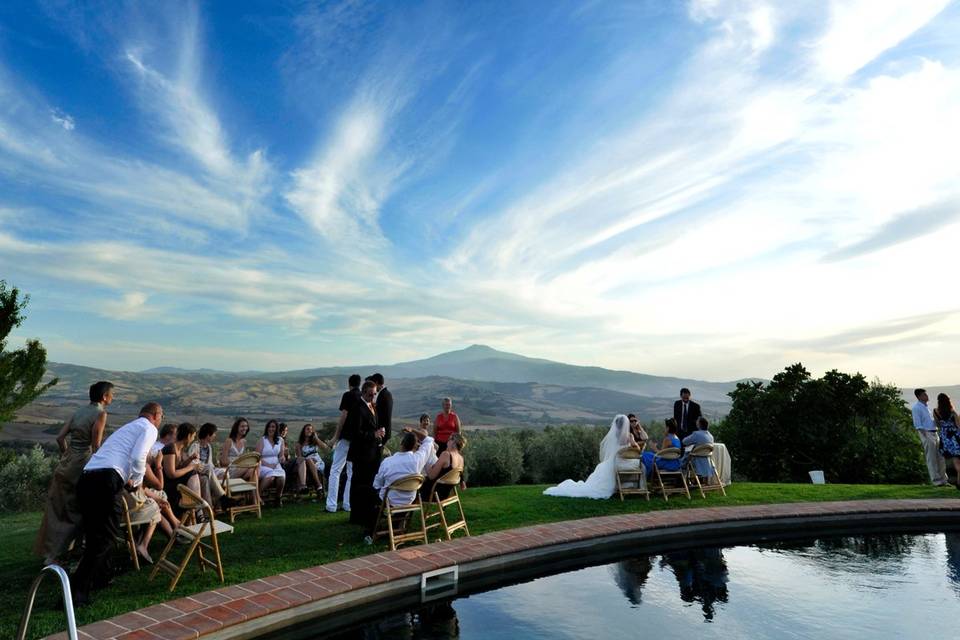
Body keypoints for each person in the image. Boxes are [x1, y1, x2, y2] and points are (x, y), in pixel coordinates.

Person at [72, 402, 162, 607]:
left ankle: (102, 578)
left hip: (87, 478)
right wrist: (138, 482)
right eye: (161, 417)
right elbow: (138, 458)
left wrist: (128, 480)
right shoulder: (149, 428)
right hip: (105, 480)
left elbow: (118, 459)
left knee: (96, 534)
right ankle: (77, 592)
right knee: (104, 537)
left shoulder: (128, 428)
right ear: (156, 415)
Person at [35, 381, 113, 565]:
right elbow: (96, 446)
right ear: (104, 397)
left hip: (67, 462)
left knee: (58, 509)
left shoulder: (78, 411)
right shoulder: (101, 414)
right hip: (82, 464)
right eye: (112, 394)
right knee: (77, 511)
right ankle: (64, 553)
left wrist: (67, 454)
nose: (113, 397)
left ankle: (51, 553)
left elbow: (60, 437)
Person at [544, 415, 641, 499]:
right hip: (627, 463)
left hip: (615, 462)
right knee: (642, 466)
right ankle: (638, 487)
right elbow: (637, 449)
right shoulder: (629, 436)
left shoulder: (614, 436)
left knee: (601, 468)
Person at [369, 427, 435, 543]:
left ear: (401, 444)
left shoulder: (388, 462)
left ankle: (373, 529)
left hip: (390, 501)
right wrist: (413, 430)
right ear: (415, 447)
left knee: (371, 492)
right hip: (409, 501)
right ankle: (397, 525)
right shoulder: (418, 460)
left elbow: (377, 484)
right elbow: (429, 440)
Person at [348, 380, 384, 526]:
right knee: (358, 485)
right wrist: (373, 435)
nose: (373, 397)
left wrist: (379, 433)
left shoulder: (372, 406)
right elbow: (355, 433)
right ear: (363, 392)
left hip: (372, 453)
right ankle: (356, 515)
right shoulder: (357, 408)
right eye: (370, 394)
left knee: (369, 484)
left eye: (375, 394)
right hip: (361, 454)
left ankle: (366, 513)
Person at [327, 375, 361, 513]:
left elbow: (343, 416)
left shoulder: (348, 395)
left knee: (335, 470)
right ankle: (348, 504)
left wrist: (335, 437)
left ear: (349, 384)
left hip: (346, 438)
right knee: (351, 472)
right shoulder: (362, 397)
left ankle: (331, 505)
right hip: (357, 440)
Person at [162, 423, 202, 517]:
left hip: (175, 481)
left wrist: (190, 459)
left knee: (199, 475)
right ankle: (198, 510)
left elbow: (179, 467)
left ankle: (198, 509)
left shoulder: (180, 449)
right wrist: (191, 467)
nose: (193, 440)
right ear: (188, 436)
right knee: (193, 472)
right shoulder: (170, 448)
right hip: (167, 484)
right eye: (193, 436)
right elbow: (171, 474)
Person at [188, 422, 231, 508]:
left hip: (207, 471)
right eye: (214, 434)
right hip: (197, 470)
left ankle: (210, 509)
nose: (215, 436)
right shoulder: (195, 446)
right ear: (208, 435)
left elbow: (210, 463)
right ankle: (222, 497)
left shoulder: (209, 447)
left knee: (224, 472)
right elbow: (192, 463)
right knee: (208, 468)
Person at [913, 388, 948, 486]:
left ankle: (944, 480)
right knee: (931, 458)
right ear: (919, 396)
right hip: (927, 433)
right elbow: (918, 424)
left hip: (935, 433)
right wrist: (925, 436)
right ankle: (936, 481)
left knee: (940, 458)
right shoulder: (916, 408)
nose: (927, 396)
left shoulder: (927, 407)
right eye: (924, 394)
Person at [422, 432, 466, 501]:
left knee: (414, 487)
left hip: (433, 494)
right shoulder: (461, 459)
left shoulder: (446, 455)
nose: (447, 442)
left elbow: (431, 476)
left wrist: (424, 460)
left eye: (449, 440)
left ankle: (405, 511)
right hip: (445, 496)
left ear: (454, 443)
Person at [257, 419, 287, 504]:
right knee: (271, 477)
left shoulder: (280, 440)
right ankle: (257, 495)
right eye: (269, 427)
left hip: (276, 465)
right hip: (263, 465)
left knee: (281, 477)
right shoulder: (262, 440)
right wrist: (268, 465)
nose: (271, 429)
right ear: (267, 428)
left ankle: (278, 498)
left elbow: (281, 455)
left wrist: (282, 458)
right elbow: (257, 457)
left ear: (276, 428)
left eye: (273, 427)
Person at [934, 394, 960, 489]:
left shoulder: (936, 411)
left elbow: (937, 424)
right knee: (957, 461)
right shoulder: (952, 412)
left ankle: (955, 481)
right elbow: (958, 426)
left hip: (944, 437)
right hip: (954, 437)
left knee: (952, 461)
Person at [296, 423, 329, 497]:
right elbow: (299, 458)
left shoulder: (314, 441)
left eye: (311, 429)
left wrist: (316, 438)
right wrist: (306, 459)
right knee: (307, 460)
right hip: (306, 465)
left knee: (309, 460)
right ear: (303, 431)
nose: (309, 431)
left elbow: (325, 448)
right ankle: (317, 486)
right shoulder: (299, 444)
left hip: (318, 462)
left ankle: (317, 484)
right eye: (307, 429)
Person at [682, 417, 716, 481]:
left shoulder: (696, 434)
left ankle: (684, 481)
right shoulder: (711, 436)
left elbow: (684, 441)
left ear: (699, 425)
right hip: (707, 462)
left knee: (684, 461)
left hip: (696, 461)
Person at [369, 373, 393, 446]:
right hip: (385, 431)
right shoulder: (387, 393)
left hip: (382, 432)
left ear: (376, 382)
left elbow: (379, 415)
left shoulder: (383, 395)